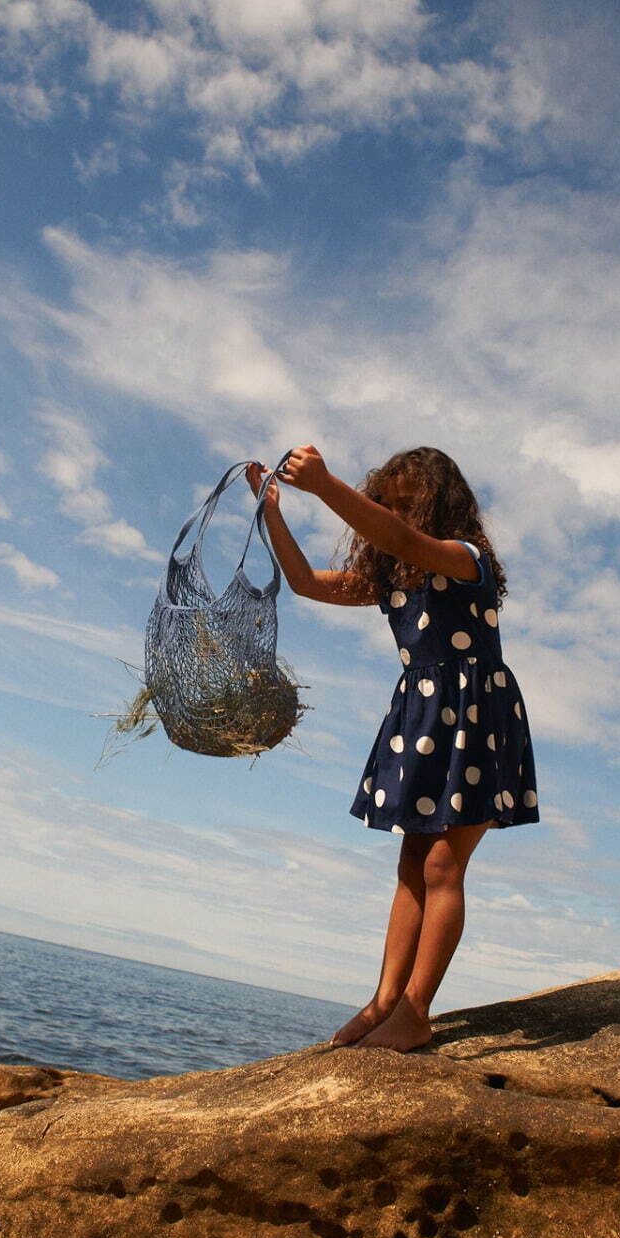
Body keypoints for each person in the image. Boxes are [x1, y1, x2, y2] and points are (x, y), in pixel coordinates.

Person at [245, 443, 539, 1053]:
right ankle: (384, 1002)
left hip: (476, 716)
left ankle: (416, 1011)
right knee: (411, 862)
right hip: (423, 714)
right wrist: (271, 509)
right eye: (390, 507)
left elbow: (407, 545)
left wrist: (326, 486)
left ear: (440, 507)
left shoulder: (465, 558)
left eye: (410, 507)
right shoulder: (391, 580)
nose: (398, 520)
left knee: (441, 865)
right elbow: (303, 584)